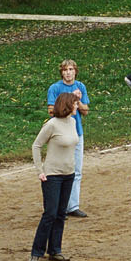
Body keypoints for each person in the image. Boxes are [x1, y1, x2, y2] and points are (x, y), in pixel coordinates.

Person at [31, 92, 81, 261]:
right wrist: (40, 170)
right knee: (50, 214)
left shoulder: (73, 122)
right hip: (52, 175)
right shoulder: (52, 125)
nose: (77, 106)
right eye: (75, 103)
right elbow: (36, 145)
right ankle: (36, 251)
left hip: (69, 174)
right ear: (68, 105)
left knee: (61, 214)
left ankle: (55, 250)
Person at [47, 60, 92, 218]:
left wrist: (78, 101)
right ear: (61, 72)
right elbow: (52, 111)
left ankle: (72, 206)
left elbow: (85, 110)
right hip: (60, 136)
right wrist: (70, 100)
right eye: (65, 70)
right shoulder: (55, 88)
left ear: (75, 71)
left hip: (76, 133)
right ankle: (60, 207)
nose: (68, 72)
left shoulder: (81, 87)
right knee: (60, 171)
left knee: (76, 171)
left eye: (71, 69)